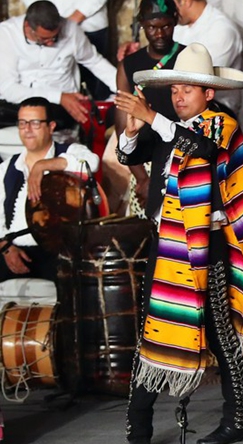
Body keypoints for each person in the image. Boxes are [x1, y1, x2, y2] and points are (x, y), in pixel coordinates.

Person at [114, 43, 243, 444]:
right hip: (166, 244)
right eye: (175, 89)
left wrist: (151, 118)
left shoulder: (221, 126)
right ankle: (138, 429)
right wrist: (130, 129)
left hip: (207, 246)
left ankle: (239, 418)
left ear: (208, 94)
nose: (179, 96)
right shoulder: (164, 129)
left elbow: (202, 148)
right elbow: (131, 155)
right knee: (152, 333)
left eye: (188, 90)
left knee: (219, 332)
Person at [0, 97, 99, 283]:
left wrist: (44, 165)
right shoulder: (8, 167)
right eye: (22, 123)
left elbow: (91, 163)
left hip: (59, 253)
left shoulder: (69, 150)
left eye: (35, 123)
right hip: (14, 250)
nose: (27, 130)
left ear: (51, 126)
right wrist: (6, 248)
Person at [114, 0, 185, 217]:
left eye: (166, 26)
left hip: (182, 155)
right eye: (152, 27)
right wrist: (142, 178)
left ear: (174, 22)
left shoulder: (187, 58)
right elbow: (122, 122)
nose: (160, 33)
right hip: (143, 159)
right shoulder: (129, 65)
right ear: (142, 25)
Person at [0, 1, 116, 127]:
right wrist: (59, 97)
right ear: (28, 26)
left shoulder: (71, 29)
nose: (51, 43)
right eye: (43, 39)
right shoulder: (6, 34)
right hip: (20, 104)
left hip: (62, 108)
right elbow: (8, 89)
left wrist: (123, 88)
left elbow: (94, 62)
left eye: (54, 38)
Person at [23, 0, 112, 100]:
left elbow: (95, 63)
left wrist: (74, 19)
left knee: (96, 92)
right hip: (45, 22)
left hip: (90, 22)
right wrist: (44, 17)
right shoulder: (11, 32)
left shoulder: (69, 29)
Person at [172, 0, 243, 116]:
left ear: (185, 1)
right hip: (183, 102)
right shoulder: (179, 27)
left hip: (218, 109)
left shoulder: (222, 29)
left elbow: (203, 79)